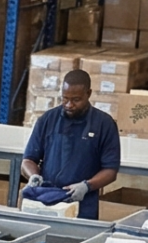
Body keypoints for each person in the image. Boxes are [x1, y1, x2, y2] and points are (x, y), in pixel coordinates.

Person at [21, 69, 121, 220]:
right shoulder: (48, 120)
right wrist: (33, 176)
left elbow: (110, 170)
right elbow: (28, 160)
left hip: (82, 204)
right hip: (46, 199)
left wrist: (86, 186)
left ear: (89, 93)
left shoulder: (104, 124)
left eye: (76, 99)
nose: (69, 105)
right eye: (64, 98)